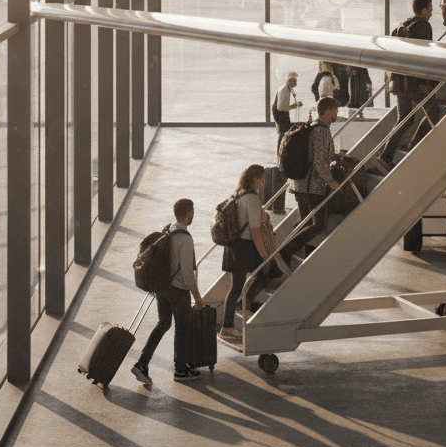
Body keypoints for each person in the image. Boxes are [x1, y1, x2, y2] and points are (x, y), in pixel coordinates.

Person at [131, 198, 206, 384]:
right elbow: (188, 274)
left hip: (162, 288)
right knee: (182, 328)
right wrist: (197, 298)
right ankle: (180, 370)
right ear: (189, 214)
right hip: (178, 290)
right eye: (193, 212)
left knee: (163, 323)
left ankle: (142, 363)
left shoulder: (168, 230)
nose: (194, 215)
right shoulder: (185, 239)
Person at [276, 97, 341, 267]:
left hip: (298, 183)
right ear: (328, 111)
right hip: (312, 186)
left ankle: (296, 254)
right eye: (335, 110)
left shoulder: (311, 127)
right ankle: (286, 251)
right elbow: (319, 162)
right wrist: (331, 181)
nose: (337, 114)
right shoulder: (322, 131)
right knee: (319, 224)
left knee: (305, 222)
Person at [219, 164, 280, 342]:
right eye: (261, 178)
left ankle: (227, 326)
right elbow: (255, 231)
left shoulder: (238, 194)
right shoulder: (252, 198)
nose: (263, 181)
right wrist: (264, 256)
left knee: (235, 286)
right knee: (266, 273)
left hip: (233, 246)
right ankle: (242, 306)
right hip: (245, 246)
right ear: (255, 179)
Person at [382, 0, 440, 167]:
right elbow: (423, 56)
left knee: (405, 119)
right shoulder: (424, 27)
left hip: (400, 81)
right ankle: (413, 145)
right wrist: (426, 82)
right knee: (433, 112)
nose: (431, 12)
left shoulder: (402, 25)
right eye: (430, 9)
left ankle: (386, 155)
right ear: (423, 11)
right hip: (415, 82)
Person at [272, 72, 303, 143]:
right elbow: (280, 108)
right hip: (279, 112)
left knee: (285, 130)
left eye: (296, 80)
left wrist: (295, 105)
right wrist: (293, 106)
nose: (296, 82)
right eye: (294, 80)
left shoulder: (288, 89)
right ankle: (280, 150)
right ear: (289, 81)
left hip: (282, 111)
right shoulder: (284, 90)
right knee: (283, 132)